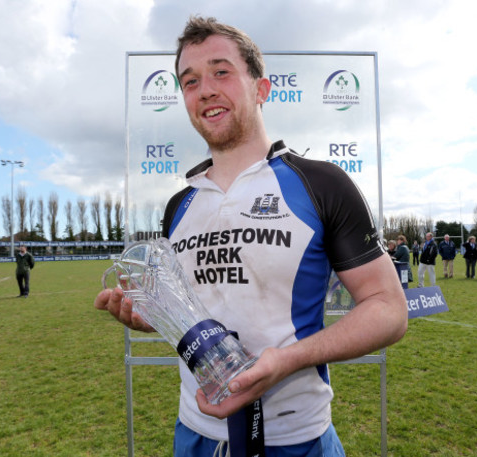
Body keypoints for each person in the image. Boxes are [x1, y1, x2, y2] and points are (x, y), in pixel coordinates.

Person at [94, 16, 407, 457]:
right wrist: (154, 319)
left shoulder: (321, 183)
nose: (205, 90)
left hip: (296, 440)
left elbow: (389, 310)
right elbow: (201, 312)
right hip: (194, 433)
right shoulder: (178, 206)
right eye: (190, 81)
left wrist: (286, 361)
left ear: (262, 88)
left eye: (221, 72)